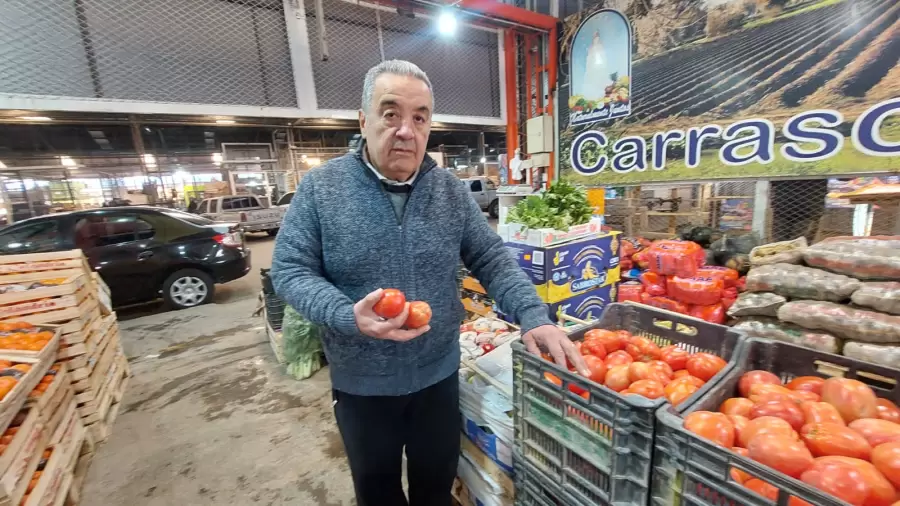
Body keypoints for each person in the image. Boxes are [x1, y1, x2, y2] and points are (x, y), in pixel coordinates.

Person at [271, 60, 587, 506]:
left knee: (435, 490)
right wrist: (346, 315)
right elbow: (290, 270)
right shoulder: (322, 189)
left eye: (419, 117)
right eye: (390, 113)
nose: (406, 130)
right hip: (363, 385)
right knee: (377, 493)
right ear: (363, 121)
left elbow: (492, 258)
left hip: (438, 378)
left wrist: (534, 315)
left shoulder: (450, 192)